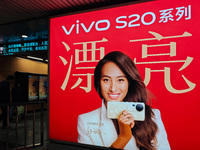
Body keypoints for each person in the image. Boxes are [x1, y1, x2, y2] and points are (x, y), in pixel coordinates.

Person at [77, 51, 171, 150]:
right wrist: (123, 138)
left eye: (120, 80)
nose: (113, 88)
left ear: (129, 82)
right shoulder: (85, 121)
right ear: (98, 82)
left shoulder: (152, 115)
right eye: (106, 80)